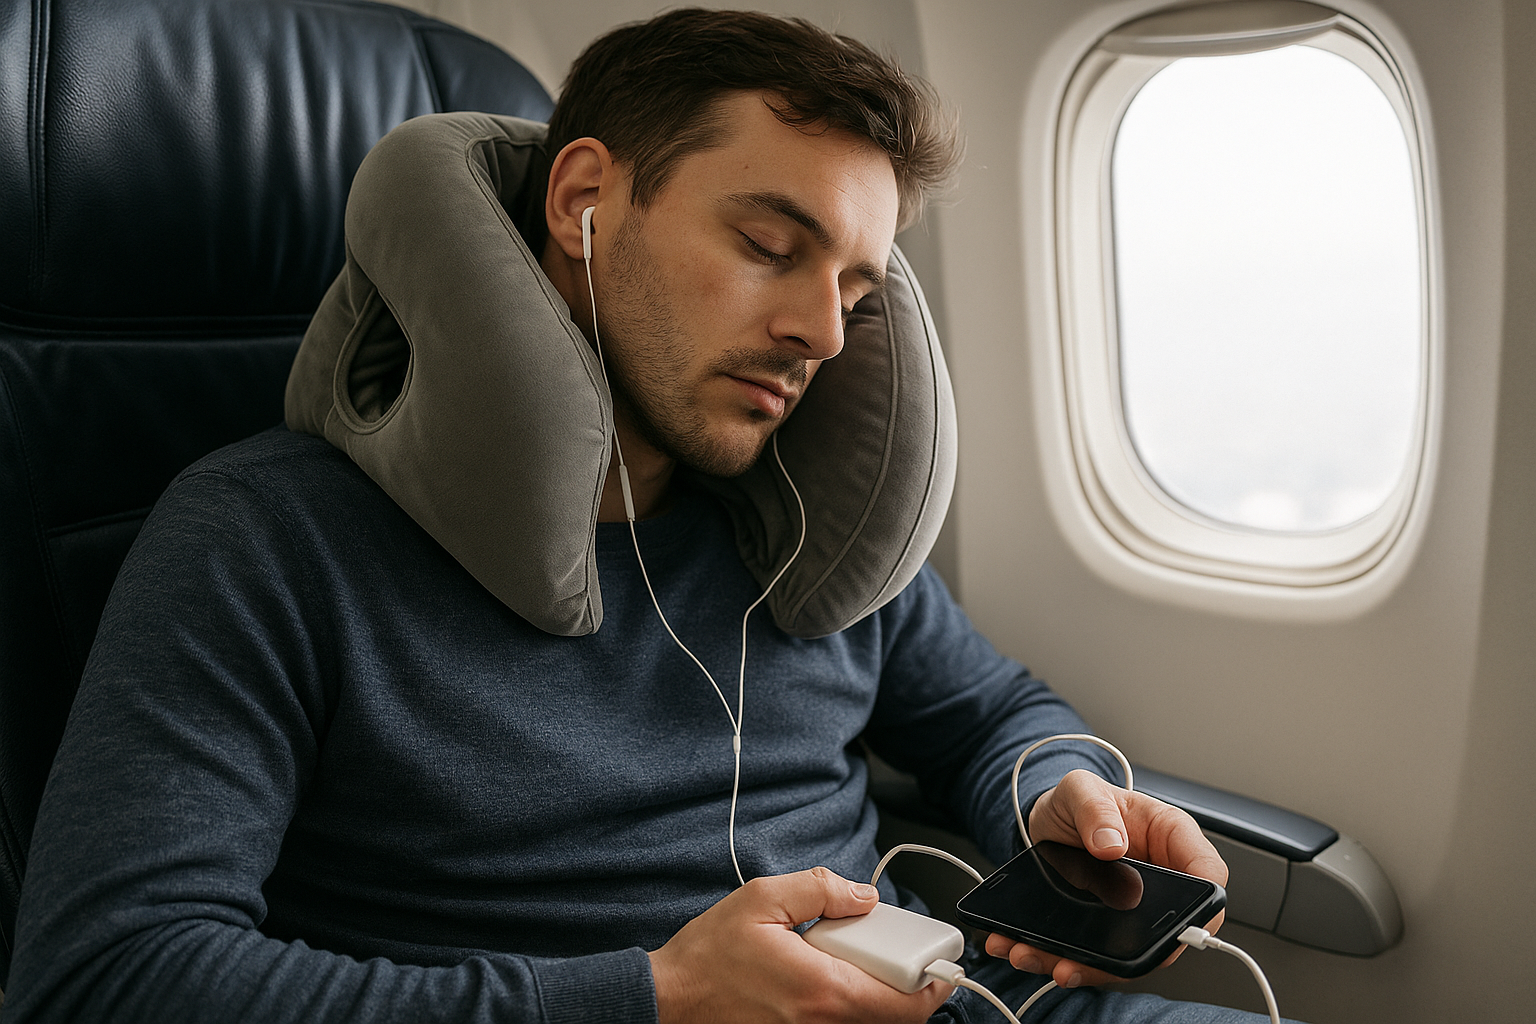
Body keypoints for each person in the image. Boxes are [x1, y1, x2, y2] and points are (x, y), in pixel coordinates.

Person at [2, 9, 1281, 1024]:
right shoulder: (265, 539)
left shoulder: (799, 533)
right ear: (581, 204)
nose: (822, 336)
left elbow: (995, 716)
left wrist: (1060, 795)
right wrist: (655, 999)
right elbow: (111, 977)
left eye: (852, 284)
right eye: (771, 245)